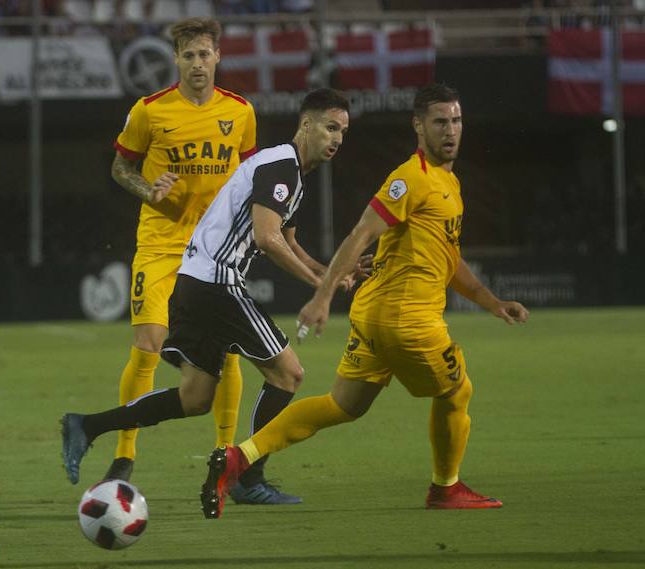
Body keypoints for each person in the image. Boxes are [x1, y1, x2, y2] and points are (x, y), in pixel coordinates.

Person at [200, 83, 530, 519]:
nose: (450, 130)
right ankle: (445, 488)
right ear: (418, 126)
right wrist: (321, 296)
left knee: (342, 405)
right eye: (439, 122)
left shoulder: (447, 181)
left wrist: (491, 302)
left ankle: (239, 459)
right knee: (457, 390)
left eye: (456, 120)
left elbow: (449, 259)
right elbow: (361, 233)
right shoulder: (409, 179)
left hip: (375, 317)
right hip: (408, 320)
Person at [62, 89, 355, 509]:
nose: (337, 138)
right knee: (288, 374)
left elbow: (289, 239)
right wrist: (320, 287)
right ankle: (247, 478)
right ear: (306, 125)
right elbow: (266, 238)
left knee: (195, 398)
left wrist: (329, 272)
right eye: (330, 127)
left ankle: (86, 426)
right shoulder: (280, 166)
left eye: (343, 131)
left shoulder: (292, 175)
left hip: (194, 283)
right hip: (216, 282)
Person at [76, 16, 265, 499]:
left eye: (205, 54)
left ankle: (227, 459)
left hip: (215, 250)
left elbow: (248, 179)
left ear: (217, 56)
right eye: (188, 56)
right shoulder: (149, 111)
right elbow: (121, 165)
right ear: (175, 60)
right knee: (149, 343)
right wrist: (149, 191)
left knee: (227, 350)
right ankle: (124, 455)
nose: (198, 64)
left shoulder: (241, 112)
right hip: (161, 245)